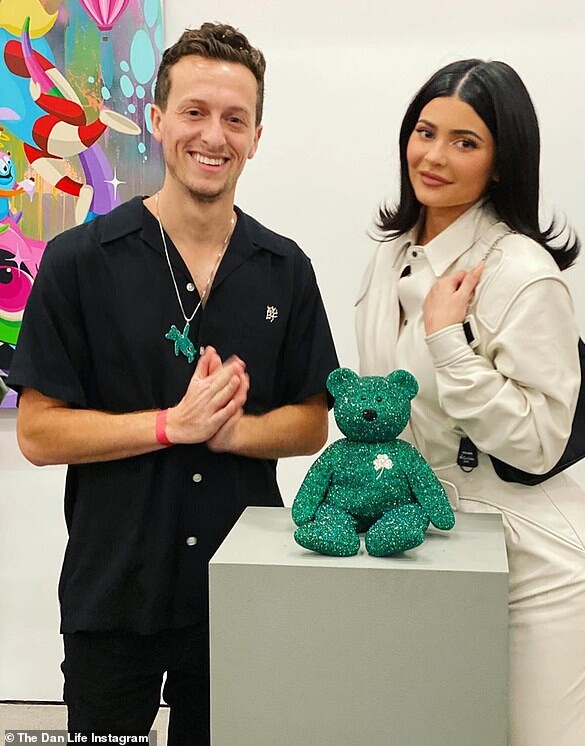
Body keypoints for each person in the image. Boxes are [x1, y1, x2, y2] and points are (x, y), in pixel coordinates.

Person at [8, 22, 338, 744]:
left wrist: (235, 433)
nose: (213, 136)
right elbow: (36, 432)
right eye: (194, 112)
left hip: (241, 590)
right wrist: (169, 425)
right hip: (112, 592)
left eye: (234, 119)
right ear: (157, 121)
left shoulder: (285, 269)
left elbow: (313, 419)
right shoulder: (79, 261)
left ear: (256, 137)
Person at [355, 59, 585, 745]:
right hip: (440, 544)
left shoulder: (521, 272)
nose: (434, 156)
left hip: (539, 565)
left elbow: (539, 440)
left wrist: (449, 343)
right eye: (425, 132)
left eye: (465, 142)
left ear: (502, 163)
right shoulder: (389, 257)